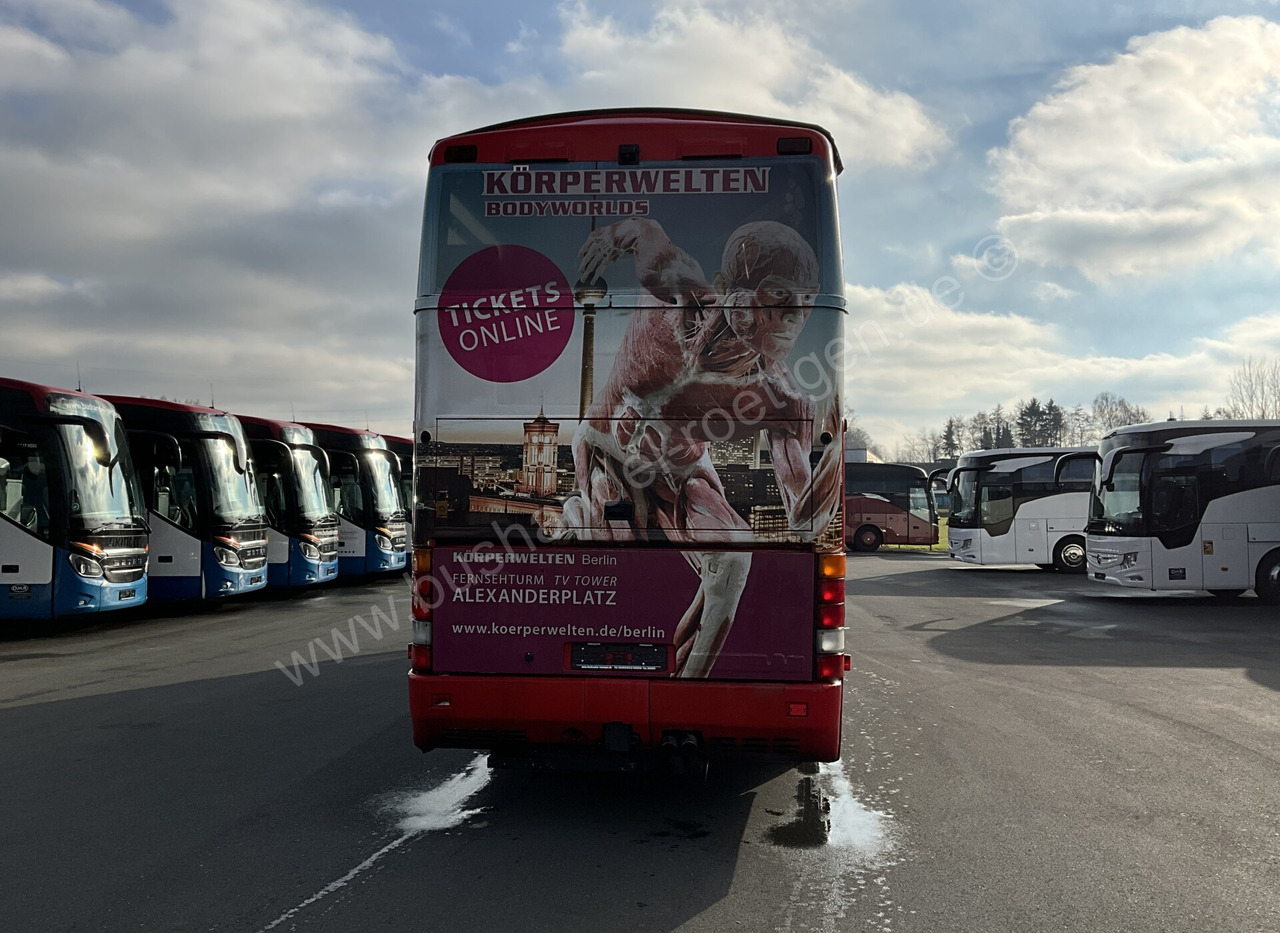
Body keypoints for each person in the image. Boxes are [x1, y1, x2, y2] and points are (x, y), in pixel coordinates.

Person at [562, 218, 841, 678]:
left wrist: (831, 460)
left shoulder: (784, 399)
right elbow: (646, 232)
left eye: (807, 302)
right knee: (603, 546)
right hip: (606, 451)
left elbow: (803, 518)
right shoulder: (679, 290)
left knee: (735, 555)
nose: (794, 315)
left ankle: (687, 685)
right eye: (778, 295)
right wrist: (609, 239)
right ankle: (580, 517)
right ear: (727, 288)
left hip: (682, 474)